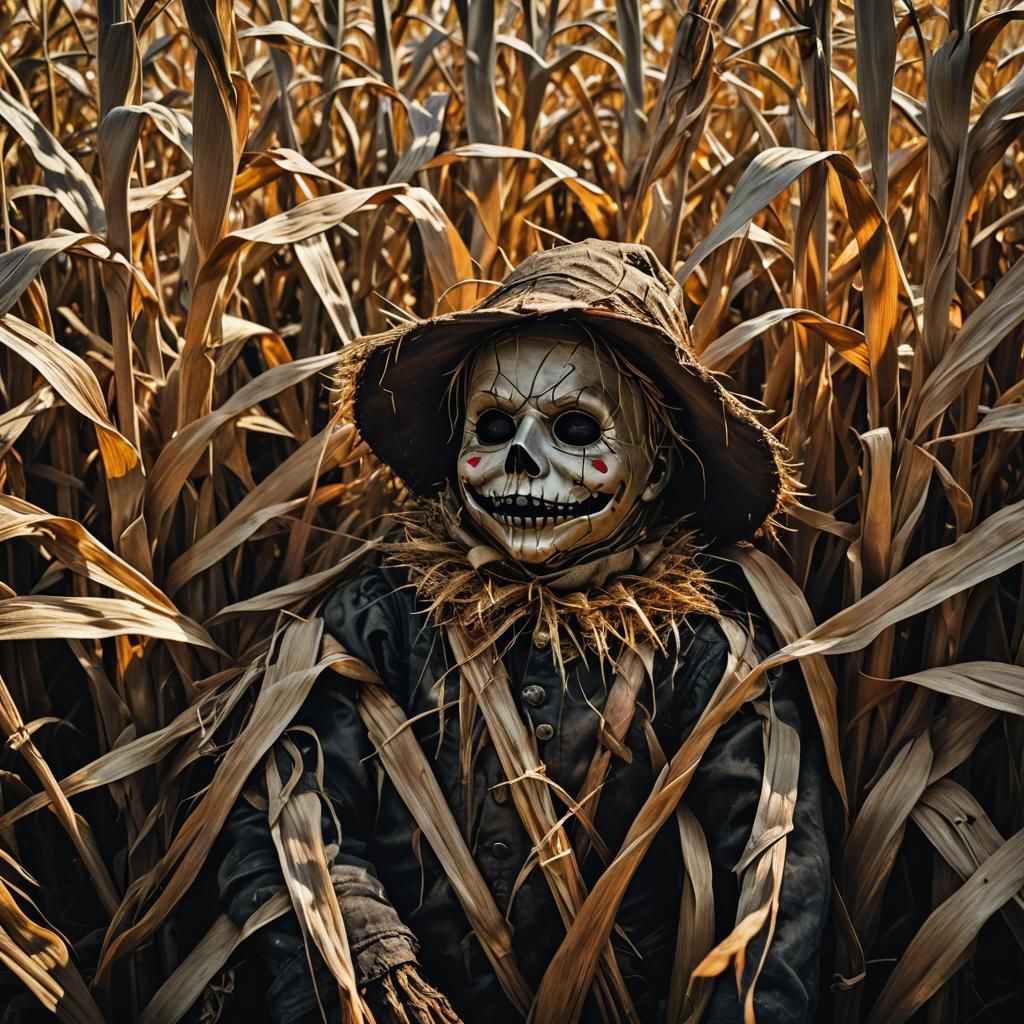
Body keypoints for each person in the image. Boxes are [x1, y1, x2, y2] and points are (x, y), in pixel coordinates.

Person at [218, 240, 830, 1023]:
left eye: (576, 428)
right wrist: (372, 971)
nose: (522, 461)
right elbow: (290, 817)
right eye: (495, 424)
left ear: (658, 469)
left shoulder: (704, 659)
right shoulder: (384, 622)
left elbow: (776, 888)